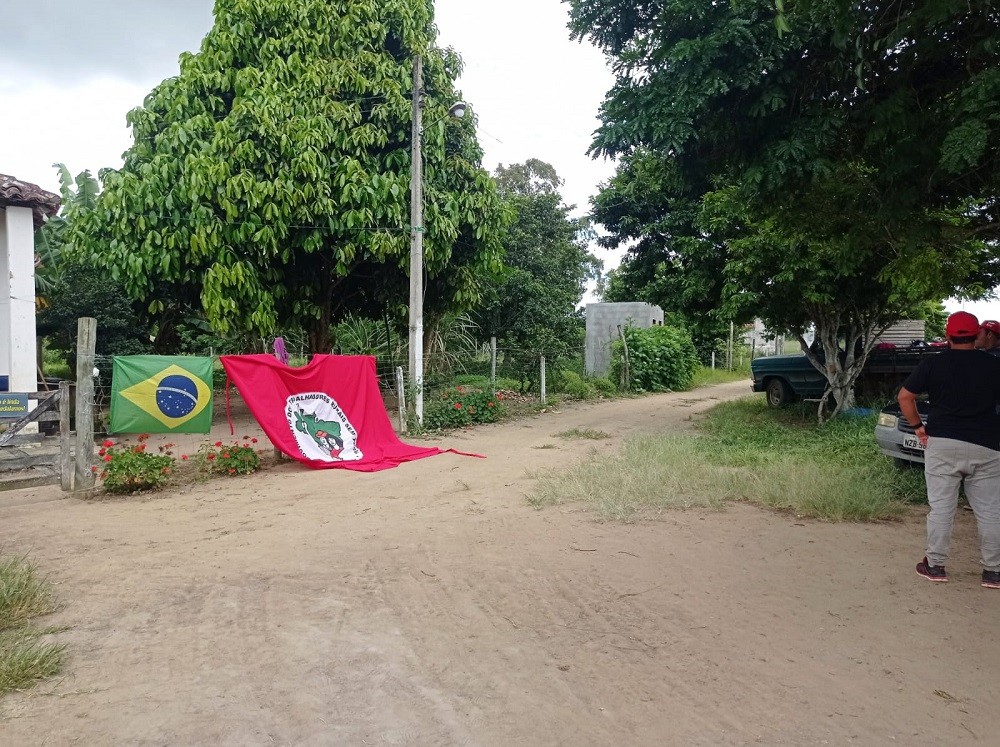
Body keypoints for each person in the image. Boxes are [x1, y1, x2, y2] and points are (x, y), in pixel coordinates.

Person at [898, 311, 1000, 588]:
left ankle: (935, 566)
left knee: (942, 509)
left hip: (942, 444)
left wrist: (919, 427)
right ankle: (993, 572)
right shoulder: (993, 366)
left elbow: (905, 397)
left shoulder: (934, 364)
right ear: (977, 334)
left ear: (947, 335)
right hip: (987, 446)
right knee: (990, 512)